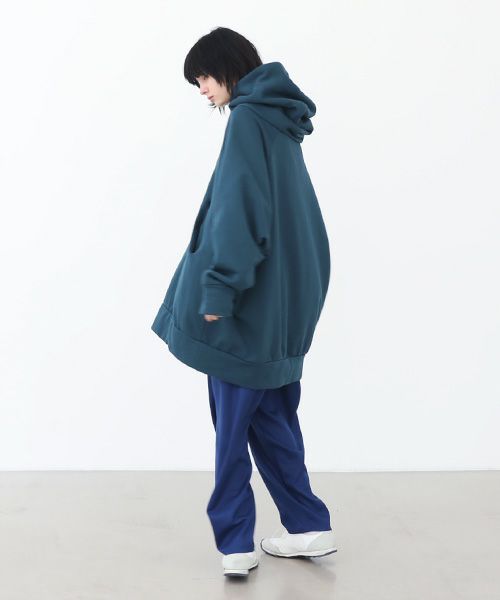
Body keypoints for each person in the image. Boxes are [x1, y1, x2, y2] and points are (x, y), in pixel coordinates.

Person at [151, 27, 337, 577]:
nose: (203, 90)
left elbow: (238, 212)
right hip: (283, 308)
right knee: (273, 419)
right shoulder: (280, 122)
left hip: (246, 309)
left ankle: (235, 543)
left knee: (232, 429)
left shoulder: (247, 120)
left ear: (227, 67)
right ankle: (307, 525)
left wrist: (218, 290)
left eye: (204, 77)